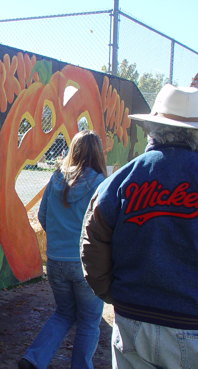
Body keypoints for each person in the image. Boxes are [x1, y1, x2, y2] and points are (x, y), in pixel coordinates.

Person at [80, 84, 198, 369]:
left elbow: (91, 246)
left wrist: (116, 295)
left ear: (153, 127)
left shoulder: (119, 181)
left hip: (132, 319)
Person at [19, 130, 107, 369]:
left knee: (64, 313)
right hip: (85, 265)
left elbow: (42, 216)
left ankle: (33, 359)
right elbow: (105, 225)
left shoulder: (56, 178)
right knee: (89, 322)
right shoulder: (101, 184)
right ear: (98, 153)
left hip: (56, 262)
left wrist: (59, 240)